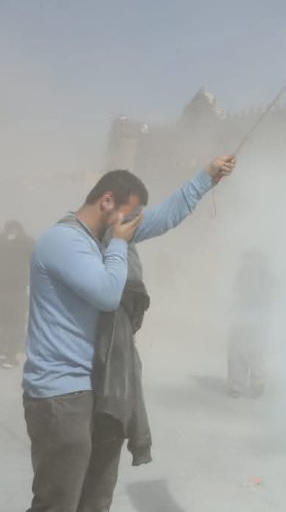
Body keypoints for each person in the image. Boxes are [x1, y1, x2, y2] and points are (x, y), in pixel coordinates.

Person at [22, 155, 236, 512]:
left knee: (95, 498)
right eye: (130, 213)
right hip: (61, 395)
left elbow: (166, 216)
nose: (133, 224)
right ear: (107, 201)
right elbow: (107, 295)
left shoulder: (104, 236)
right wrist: (120, 244)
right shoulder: (62, 240)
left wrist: (206, 177)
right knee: (57, 502)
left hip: (102, 387)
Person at [227, 248, 274, 398]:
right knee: (252, 351)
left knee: (240, 350)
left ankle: (239, 385)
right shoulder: (265, 274)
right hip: (255, 318)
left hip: (249, 317)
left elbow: (240, 294)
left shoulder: (250, 272)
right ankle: (255, 384)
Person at [0, 220, 33, 368]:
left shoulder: (24, 243)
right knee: (13, 322)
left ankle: (8, 353)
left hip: (14, 290)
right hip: (12, 290)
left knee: (11, 322)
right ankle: (8, 353)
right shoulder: (26, 242)